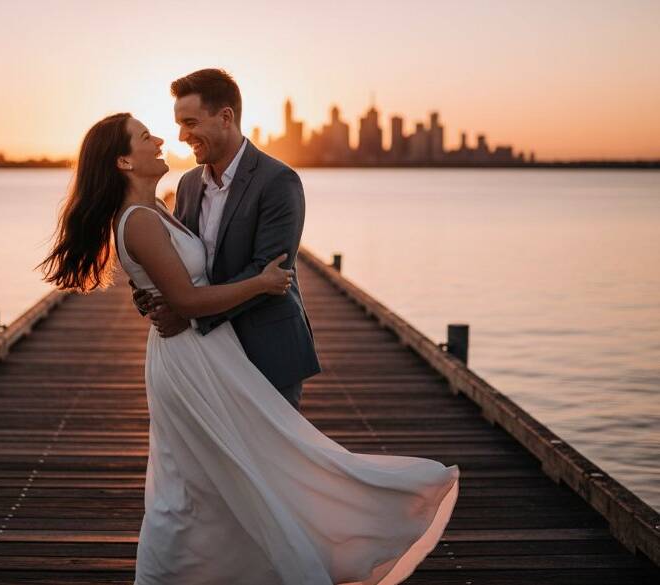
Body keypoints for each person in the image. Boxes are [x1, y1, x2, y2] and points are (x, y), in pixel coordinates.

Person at [38, 108, 459, 585]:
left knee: (232, 470)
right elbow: (186, 299)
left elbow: (173, 282)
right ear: (123, 162)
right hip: (187, 358)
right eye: (145, 136)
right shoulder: (139, 219)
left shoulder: (159, 207)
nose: (161, 140)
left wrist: (156, 293)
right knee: (192, 480)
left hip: (210, 349)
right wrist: (260, 283)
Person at [133, 69, 319, 411]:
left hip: (266, 350)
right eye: (179, 124)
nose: (181, 136)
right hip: (205, 354)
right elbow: (179, 259)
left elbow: (268, 272)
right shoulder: (189, 184)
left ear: (226, 117)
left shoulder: (278, 181)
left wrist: (190, 314)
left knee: (270, 446)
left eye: (190, 123)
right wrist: (152, 295)